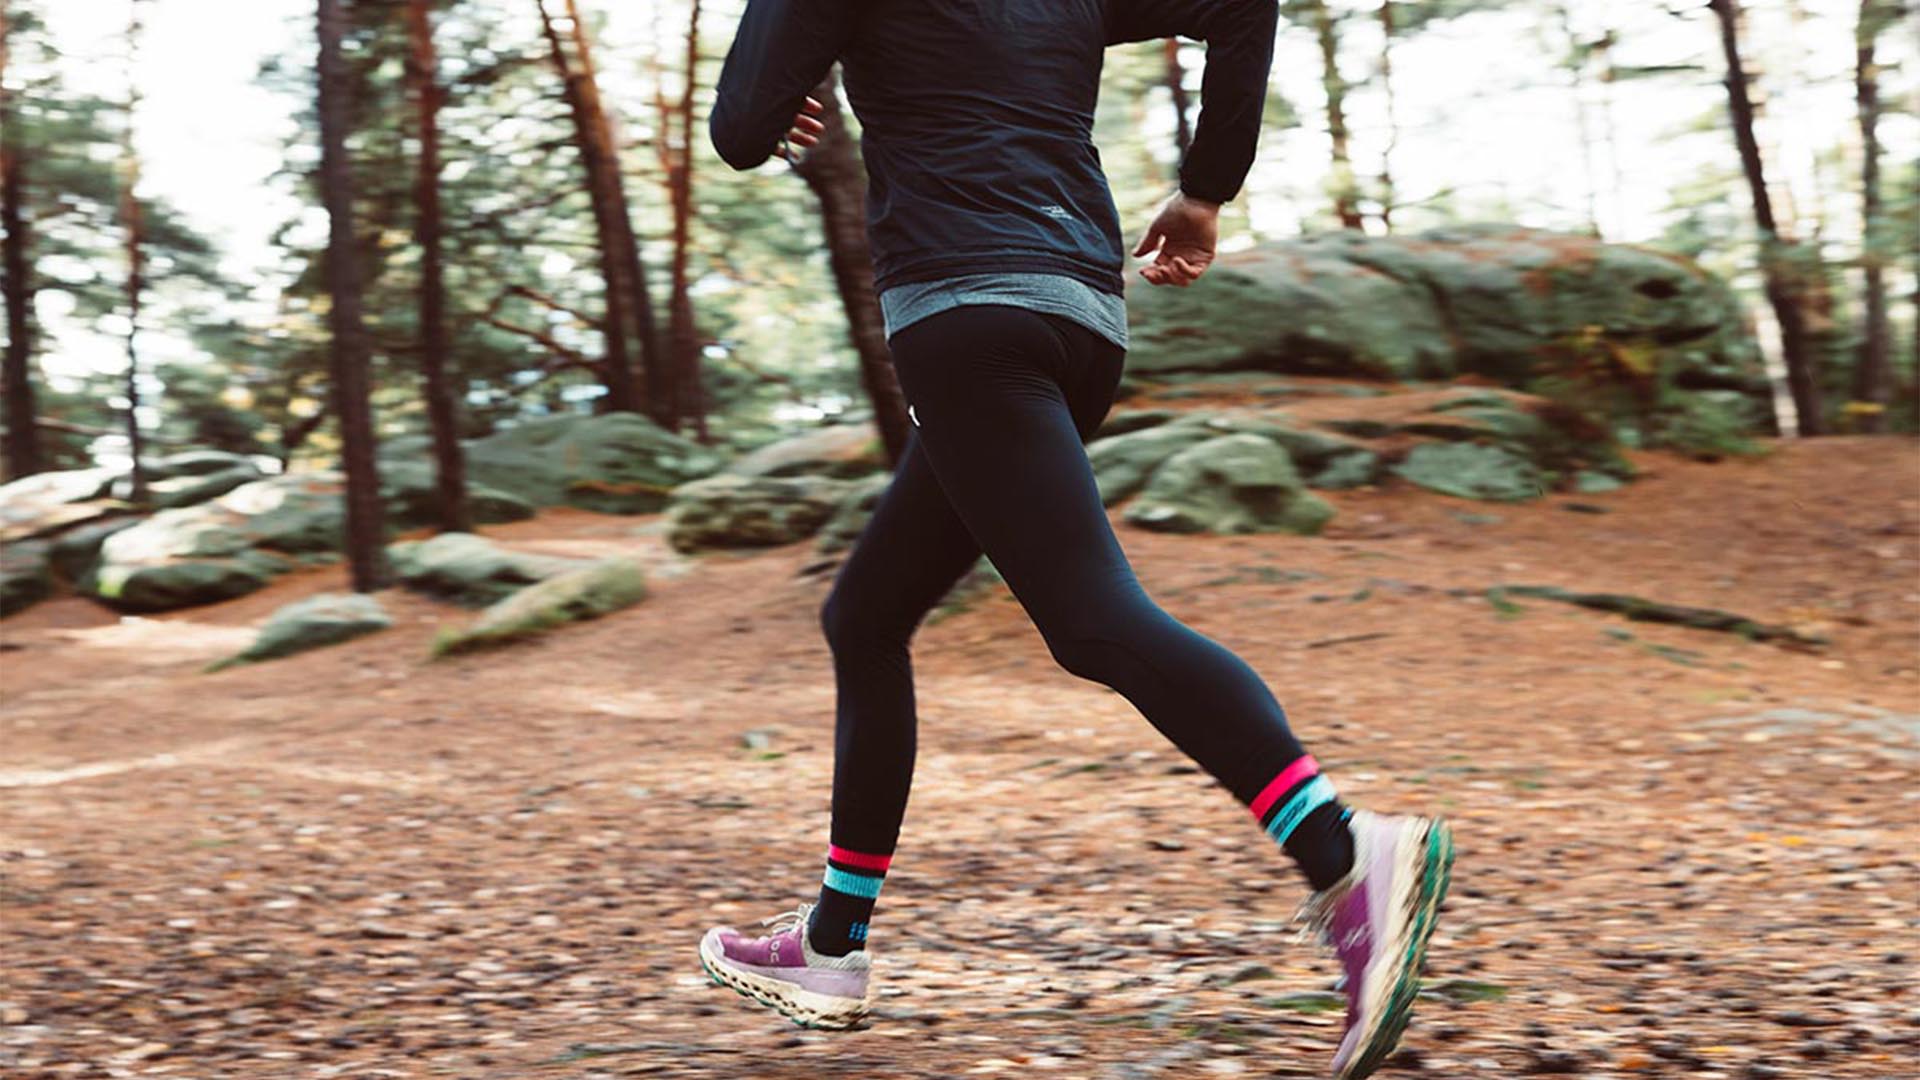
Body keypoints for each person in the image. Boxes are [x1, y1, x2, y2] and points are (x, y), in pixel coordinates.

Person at [699, 3, 1451, 1076]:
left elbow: (739, 129)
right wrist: (1203, 190)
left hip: (965, 314)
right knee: (865, 615)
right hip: (1080, 319)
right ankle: (832, 942)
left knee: (1095, 623)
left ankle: (1344, 851)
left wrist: (788, 75)